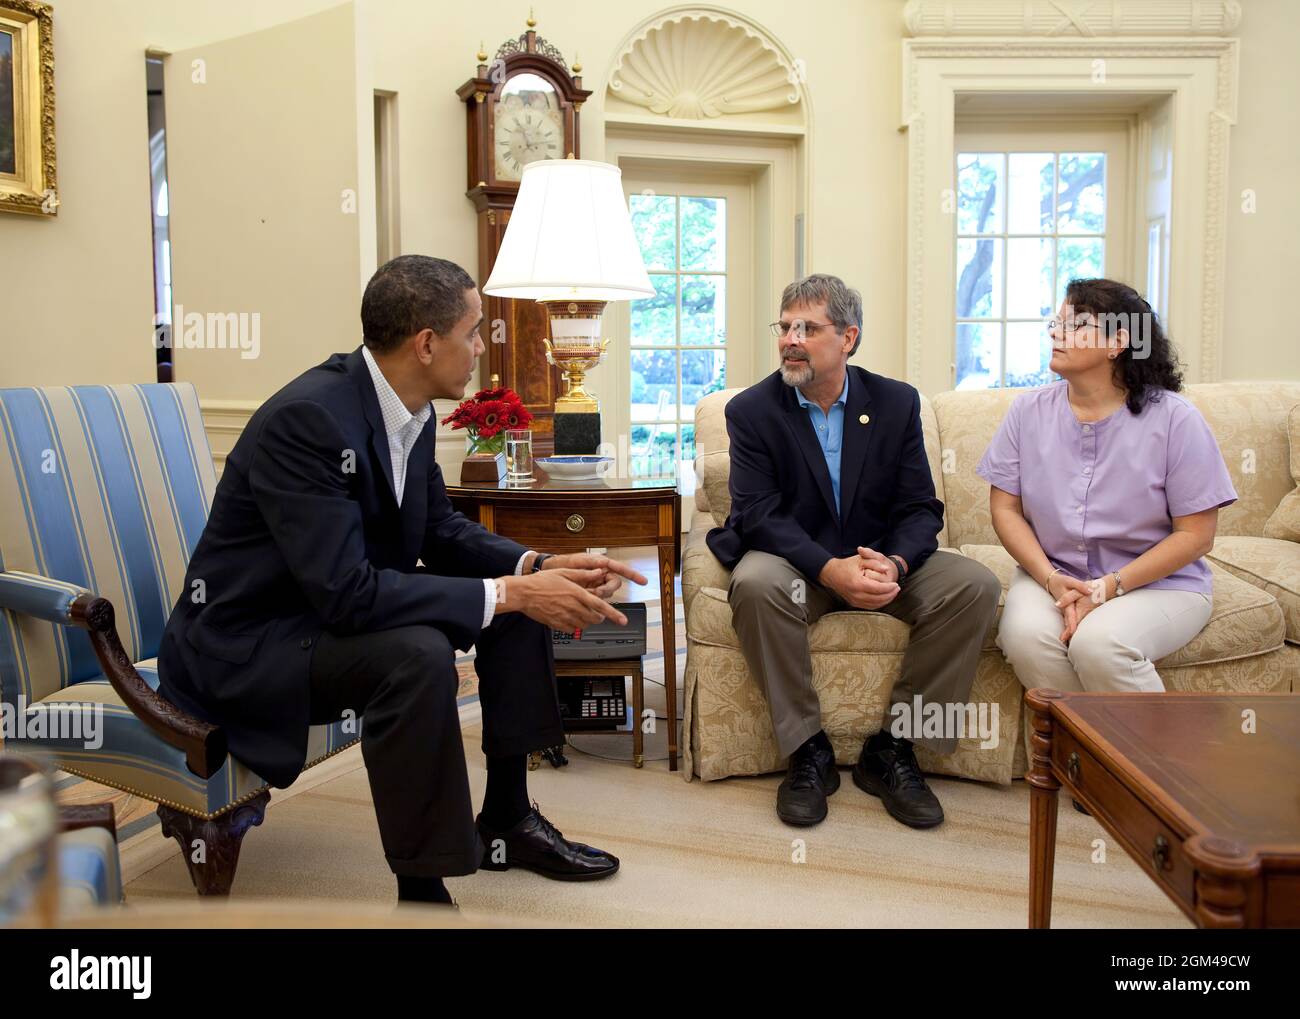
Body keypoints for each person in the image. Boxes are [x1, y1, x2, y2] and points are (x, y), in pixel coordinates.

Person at [158, 255, 646, 905]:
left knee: (512, 598)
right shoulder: (307, 421)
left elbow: (440, 528)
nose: (481, 349)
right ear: (425, 344)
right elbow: (347, 592)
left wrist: (533, 566)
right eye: (473, 333)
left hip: (323, 613)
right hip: (250, 643)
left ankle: (508, 815)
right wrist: (511, 590)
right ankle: (423, 884)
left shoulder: (408, 411)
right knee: (417, 654)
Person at [707, 273, 1000, 830]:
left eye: (808, 328)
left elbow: (920, 507)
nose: (791, 338)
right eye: (785, 326)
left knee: (974, 585)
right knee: (755, 583)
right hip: (797, 565)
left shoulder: (894, 402)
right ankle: (808, 752)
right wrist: (829, 568)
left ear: (848, 338)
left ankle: (894, 750)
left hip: (879, 560)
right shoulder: (753, 411)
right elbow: (758, 514)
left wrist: (894, 563)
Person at [979, 277, 1235, 695]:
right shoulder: (1028, 411)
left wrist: (1109, 588)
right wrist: (1049, 579)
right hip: (1053, 574)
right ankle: (1086, 758)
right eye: (1056, 322)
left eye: (1076, 324)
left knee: (1100, 644)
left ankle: (1148, 762)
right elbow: (1005, 509)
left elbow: (1196, 536)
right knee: (1026, 639)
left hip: (1158, 584)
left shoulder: (1176, 419)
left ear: (1118, 341)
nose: (1055, 333)